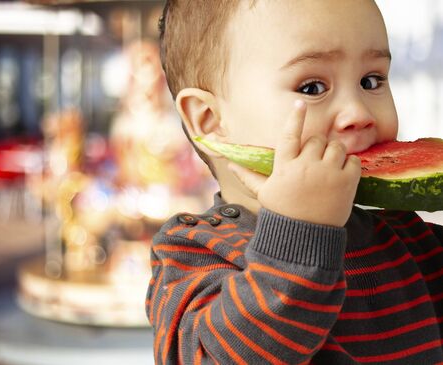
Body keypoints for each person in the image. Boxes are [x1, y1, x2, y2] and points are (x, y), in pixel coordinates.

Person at [146, 1, 443, 363]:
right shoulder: (192, 252)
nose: (358, 113)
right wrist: (300, 233)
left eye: (371, 80)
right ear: (209, 119)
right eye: (312, 86)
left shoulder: (418, 244)